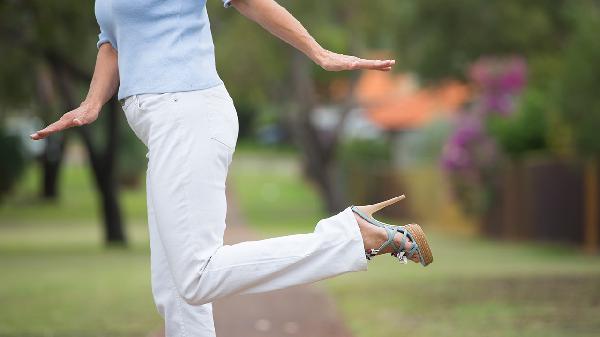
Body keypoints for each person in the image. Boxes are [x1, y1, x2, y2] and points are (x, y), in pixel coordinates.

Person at [30, 0, 433, 336]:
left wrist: (319, 52)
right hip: (163, 125)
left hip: (188, 113)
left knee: (195, 275)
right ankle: (351, 237)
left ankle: (350, 237)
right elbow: (113, 42)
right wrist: (91, 103)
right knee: (174, 292)